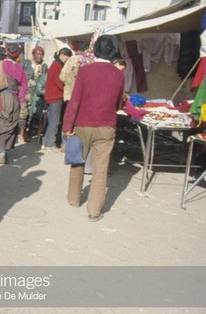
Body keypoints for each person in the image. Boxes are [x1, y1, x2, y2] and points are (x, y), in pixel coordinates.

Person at [62, 35, 125, 222]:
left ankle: (74, 199)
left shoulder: (85, 71)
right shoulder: (119, 74)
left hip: (82, 124)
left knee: (78, 161)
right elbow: (119, 102)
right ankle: (94, 211)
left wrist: (67, 126)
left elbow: (75, 101)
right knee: (100, 169)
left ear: (95, 49)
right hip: (106, 126)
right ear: (114, 52)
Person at [42, 47, 73, 151]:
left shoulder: (55, 65)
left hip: (51, 96)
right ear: (63, 55)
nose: (67, 60)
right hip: (55, 96)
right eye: (67, 58)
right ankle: (50, 144)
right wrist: (68, 88)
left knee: (51, 121)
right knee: (54, 122)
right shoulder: (57, 65)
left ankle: (45, 142)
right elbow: (59, 82)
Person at [19, 45, 48, 143]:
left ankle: (29, 133)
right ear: (33, 54)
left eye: (41, 54)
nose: (39, 56)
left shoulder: (44, 66)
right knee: (23, 114)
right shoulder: (26, 63)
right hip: (25, 92)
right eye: (37, 54)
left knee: (33, 114)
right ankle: (21, 133)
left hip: (36, 95)